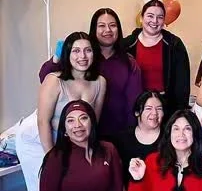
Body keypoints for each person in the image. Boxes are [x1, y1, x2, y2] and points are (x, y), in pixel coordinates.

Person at [16, 32, 107, 191]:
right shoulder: (54, 80)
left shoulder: (100, 82)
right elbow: (43, 122)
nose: (82, 56)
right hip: (35, 139)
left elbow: (91, 123)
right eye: (76, 50)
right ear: (67, 54)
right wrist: (53, 161)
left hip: (64, 139)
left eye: (87, 50)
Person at [39, 9, 142, 139]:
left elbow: (133, 102)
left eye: (112, 25)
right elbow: (45, 77)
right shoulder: (82, 58)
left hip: (117, 131)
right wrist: (57, 57)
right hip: (81, 131)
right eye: (102, 26)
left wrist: (130, 134)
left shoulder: (128, 62)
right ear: (94, 29)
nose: (108, 30)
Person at [112, 91, 164, 191]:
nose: (154, 113)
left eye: (159, 109)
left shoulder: (170, 140)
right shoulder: (121, 140)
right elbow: (116, 179)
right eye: (148, 108)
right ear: (137, 112)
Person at [123, 0, 191, 117]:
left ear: (164, 20)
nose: (154, 21)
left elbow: (182, 84)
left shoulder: (174, 45)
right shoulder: (127, 44)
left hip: (166, 107)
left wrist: (180, 113)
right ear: (141, 18)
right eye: (150, 16)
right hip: (135, 106)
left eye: (160, 17)